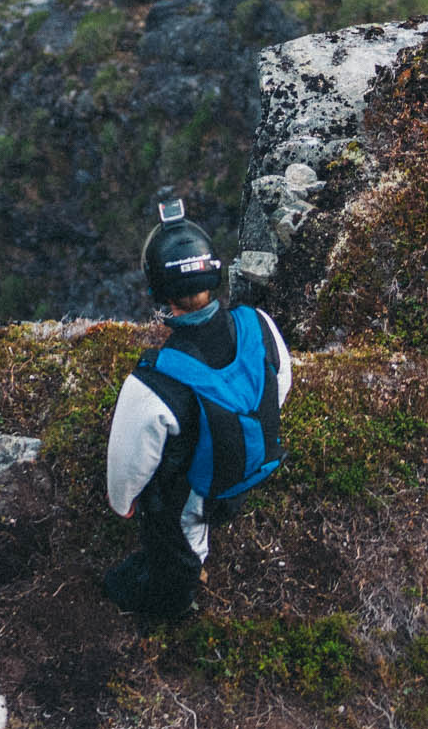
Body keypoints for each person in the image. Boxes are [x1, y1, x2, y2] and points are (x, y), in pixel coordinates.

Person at [102, 194, 292, 620]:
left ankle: (172, 604)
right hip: (244, 470)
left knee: (178, 540)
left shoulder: (155, 382)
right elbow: (278, 389)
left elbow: (124, 480)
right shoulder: (260, 326)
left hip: (195, 492)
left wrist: (127, 504)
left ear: (157, 289)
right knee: (213, 494)